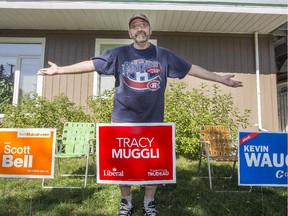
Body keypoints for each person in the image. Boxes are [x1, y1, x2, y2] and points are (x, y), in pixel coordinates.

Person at [38, 13, 243, 216]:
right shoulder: (118, 54)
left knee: (153, 166)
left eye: (143, 25)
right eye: (135, 26)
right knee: (124, 165)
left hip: (153, 122)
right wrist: (60, 70)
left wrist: (219, 79)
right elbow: (91, 64)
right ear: (130, 32)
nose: (139, 29)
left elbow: (190, 68)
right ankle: (126, 202)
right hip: (122, 121)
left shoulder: (163, 55)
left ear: (150, 30)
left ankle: (148, 203)